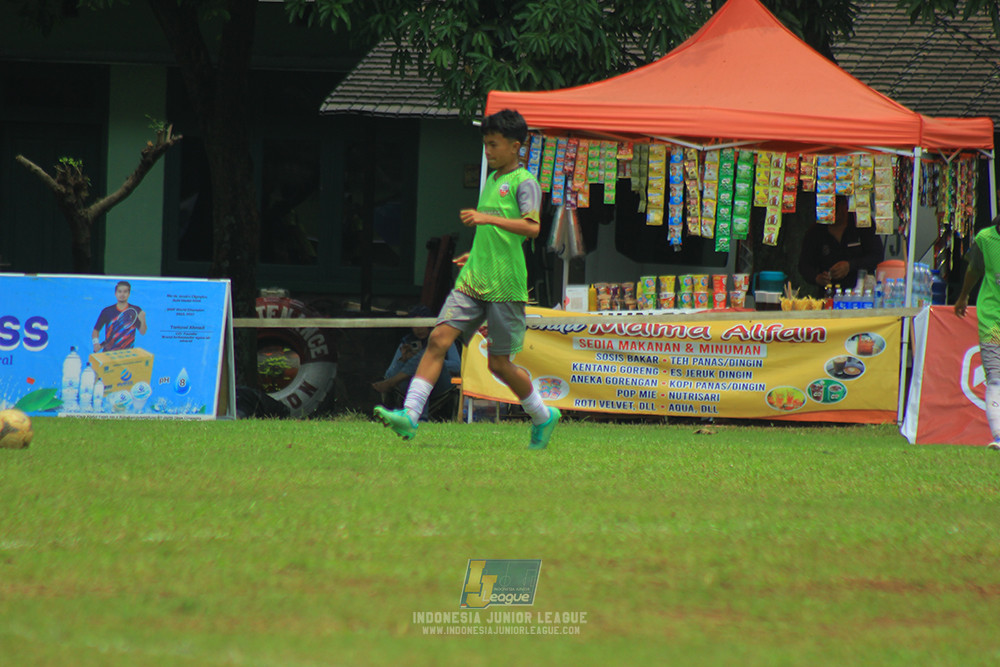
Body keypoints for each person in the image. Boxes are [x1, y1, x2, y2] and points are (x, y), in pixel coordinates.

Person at [374, 108, 561, 449]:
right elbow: (494, 235)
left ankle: (542, 415)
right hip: (474, 280)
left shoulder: (525, 182)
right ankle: (410, 415)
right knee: (438, 340)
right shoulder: (491, 180)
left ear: (516, 146)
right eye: (485, 145)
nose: (488, 152)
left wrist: (486, 218)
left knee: (500, 366)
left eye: (494, 145)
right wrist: (472, 255)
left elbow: (531, 229)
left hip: (505, 285)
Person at [954, 215, 1000, 449]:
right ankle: (999, 436)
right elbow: (974, 268)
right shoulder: (985, 239)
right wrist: (963, 295)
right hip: (994, 322)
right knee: (995, 375)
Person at [371, 305, 461, 419]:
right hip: (410, 384)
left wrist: (434, 361)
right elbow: (389, 374)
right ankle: (420, 418)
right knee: (419, 367)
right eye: (415, 325)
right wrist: (403, 361)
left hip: (440, 383)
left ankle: (416, 415)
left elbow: (457, 366)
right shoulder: (407, 341)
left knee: (427, 355)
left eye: (422, 323)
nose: (419, 329)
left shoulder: (441, 339)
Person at [798, 195, 884, 290]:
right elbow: (804, 265)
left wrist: (850, 266)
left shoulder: (862, 223)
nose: (829, 214)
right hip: (829, 293)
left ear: (844, 206)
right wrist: (817, 278)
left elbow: (876, 256)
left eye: (833, 210)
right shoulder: (816, 231)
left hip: (861, 292)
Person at [92, 280, 147, 352]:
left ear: (129, 293)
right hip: (109, 354)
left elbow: (142, 332)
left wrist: (143, 319)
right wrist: (96, 343)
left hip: (127, 355)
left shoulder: (135, 310)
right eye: (120, 291)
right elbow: (96, 330)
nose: (122, 294)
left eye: (125, 292)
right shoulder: (107, 311)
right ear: (115, 293)